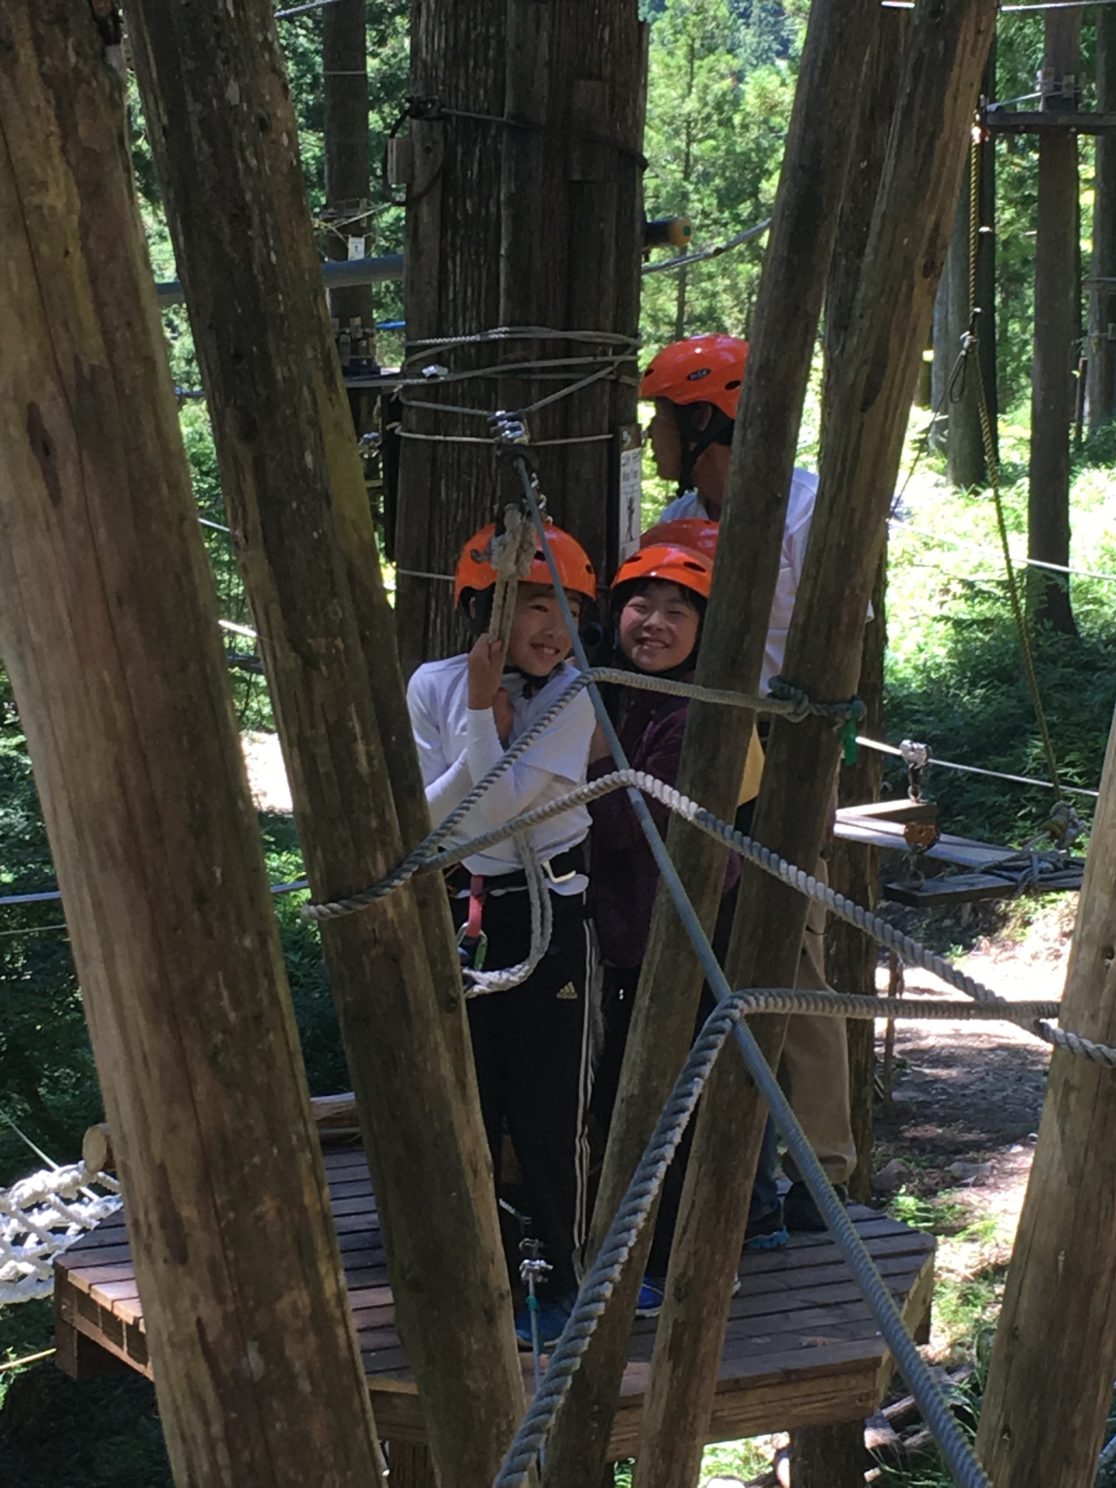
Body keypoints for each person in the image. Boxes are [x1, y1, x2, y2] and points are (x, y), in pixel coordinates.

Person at [639, 333, 857, 1230]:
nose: (652, 438)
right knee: (695, 941)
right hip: (689, 742)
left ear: (706, 419)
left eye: (662, 419)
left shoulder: (809, 512)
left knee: (789, 951)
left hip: (784, 746)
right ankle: (720, 1162)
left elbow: (837, 632)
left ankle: (820, 1168)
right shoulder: (675, 520)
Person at [406, 518, 598, 1346]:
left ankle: (566, 1279)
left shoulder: (575, 693)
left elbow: (490, 812)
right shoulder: (432, 685)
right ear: (484, 609)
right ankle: (477, 1275)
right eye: (536, 606)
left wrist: (483, 717)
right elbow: (428, 821)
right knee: (470, 1101)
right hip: (467, 907)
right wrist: (479, 711)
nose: (557, 629)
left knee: (548, 1106)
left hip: (548, 909)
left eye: (570, 610)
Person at [587, 539, 785, 1319]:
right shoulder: (624, 694)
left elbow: (620, 821)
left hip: (685, 937)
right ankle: (652, 1251)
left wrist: (586, 753)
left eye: (678, 612)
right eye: (641, 605)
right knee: (629, 1094)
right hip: (628, 935)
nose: (654, 623)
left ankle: (676, 1259)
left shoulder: (699, 714)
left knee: (672, 1102)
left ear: (704, 630)